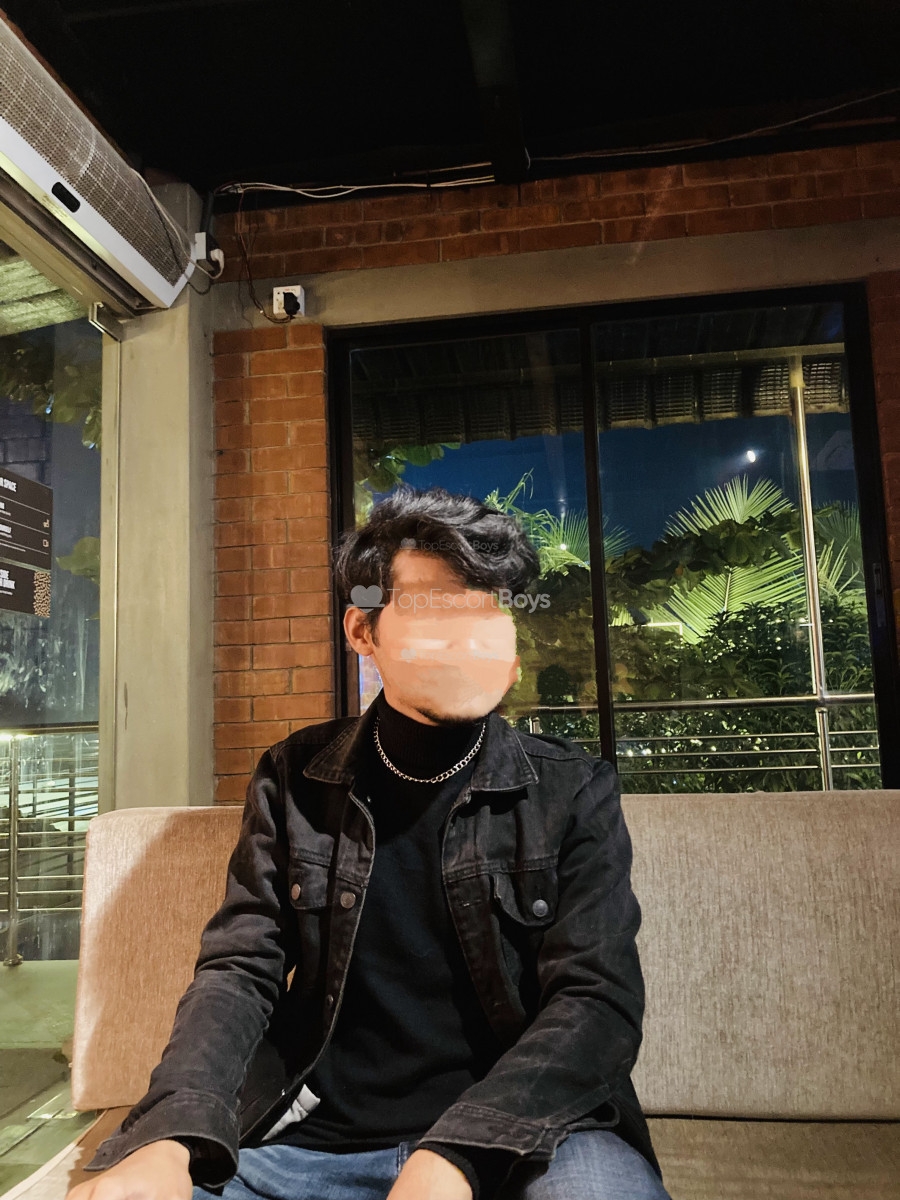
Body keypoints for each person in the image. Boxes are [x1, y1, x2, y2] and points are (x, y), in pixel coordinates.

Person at [68, 484, 671, 1200]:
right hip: (316, 1142)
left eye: (486, 611)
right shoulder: (294, 778)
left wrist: (456, 1153)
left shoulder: (571, 789)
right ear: (363, 631)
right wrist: (170, 1134)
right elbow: (239, 971)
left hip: (533, 1138)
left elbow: (597, 1000)